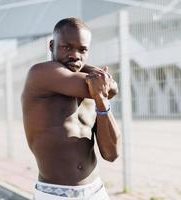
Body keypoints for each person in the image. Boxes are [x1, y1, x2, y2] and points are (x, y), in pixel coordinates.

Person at [21, 17, 121, 200]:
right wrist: (103, 84)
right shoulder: (40, 74)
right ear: (52, 46)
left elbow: (112, 154)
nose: (75, 55)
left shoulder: (94, 93)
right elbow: (109, 87)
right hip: (54, 194)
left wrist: (102, 103)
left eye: (82, 50)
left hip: (96, 191)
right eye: (67, 47)